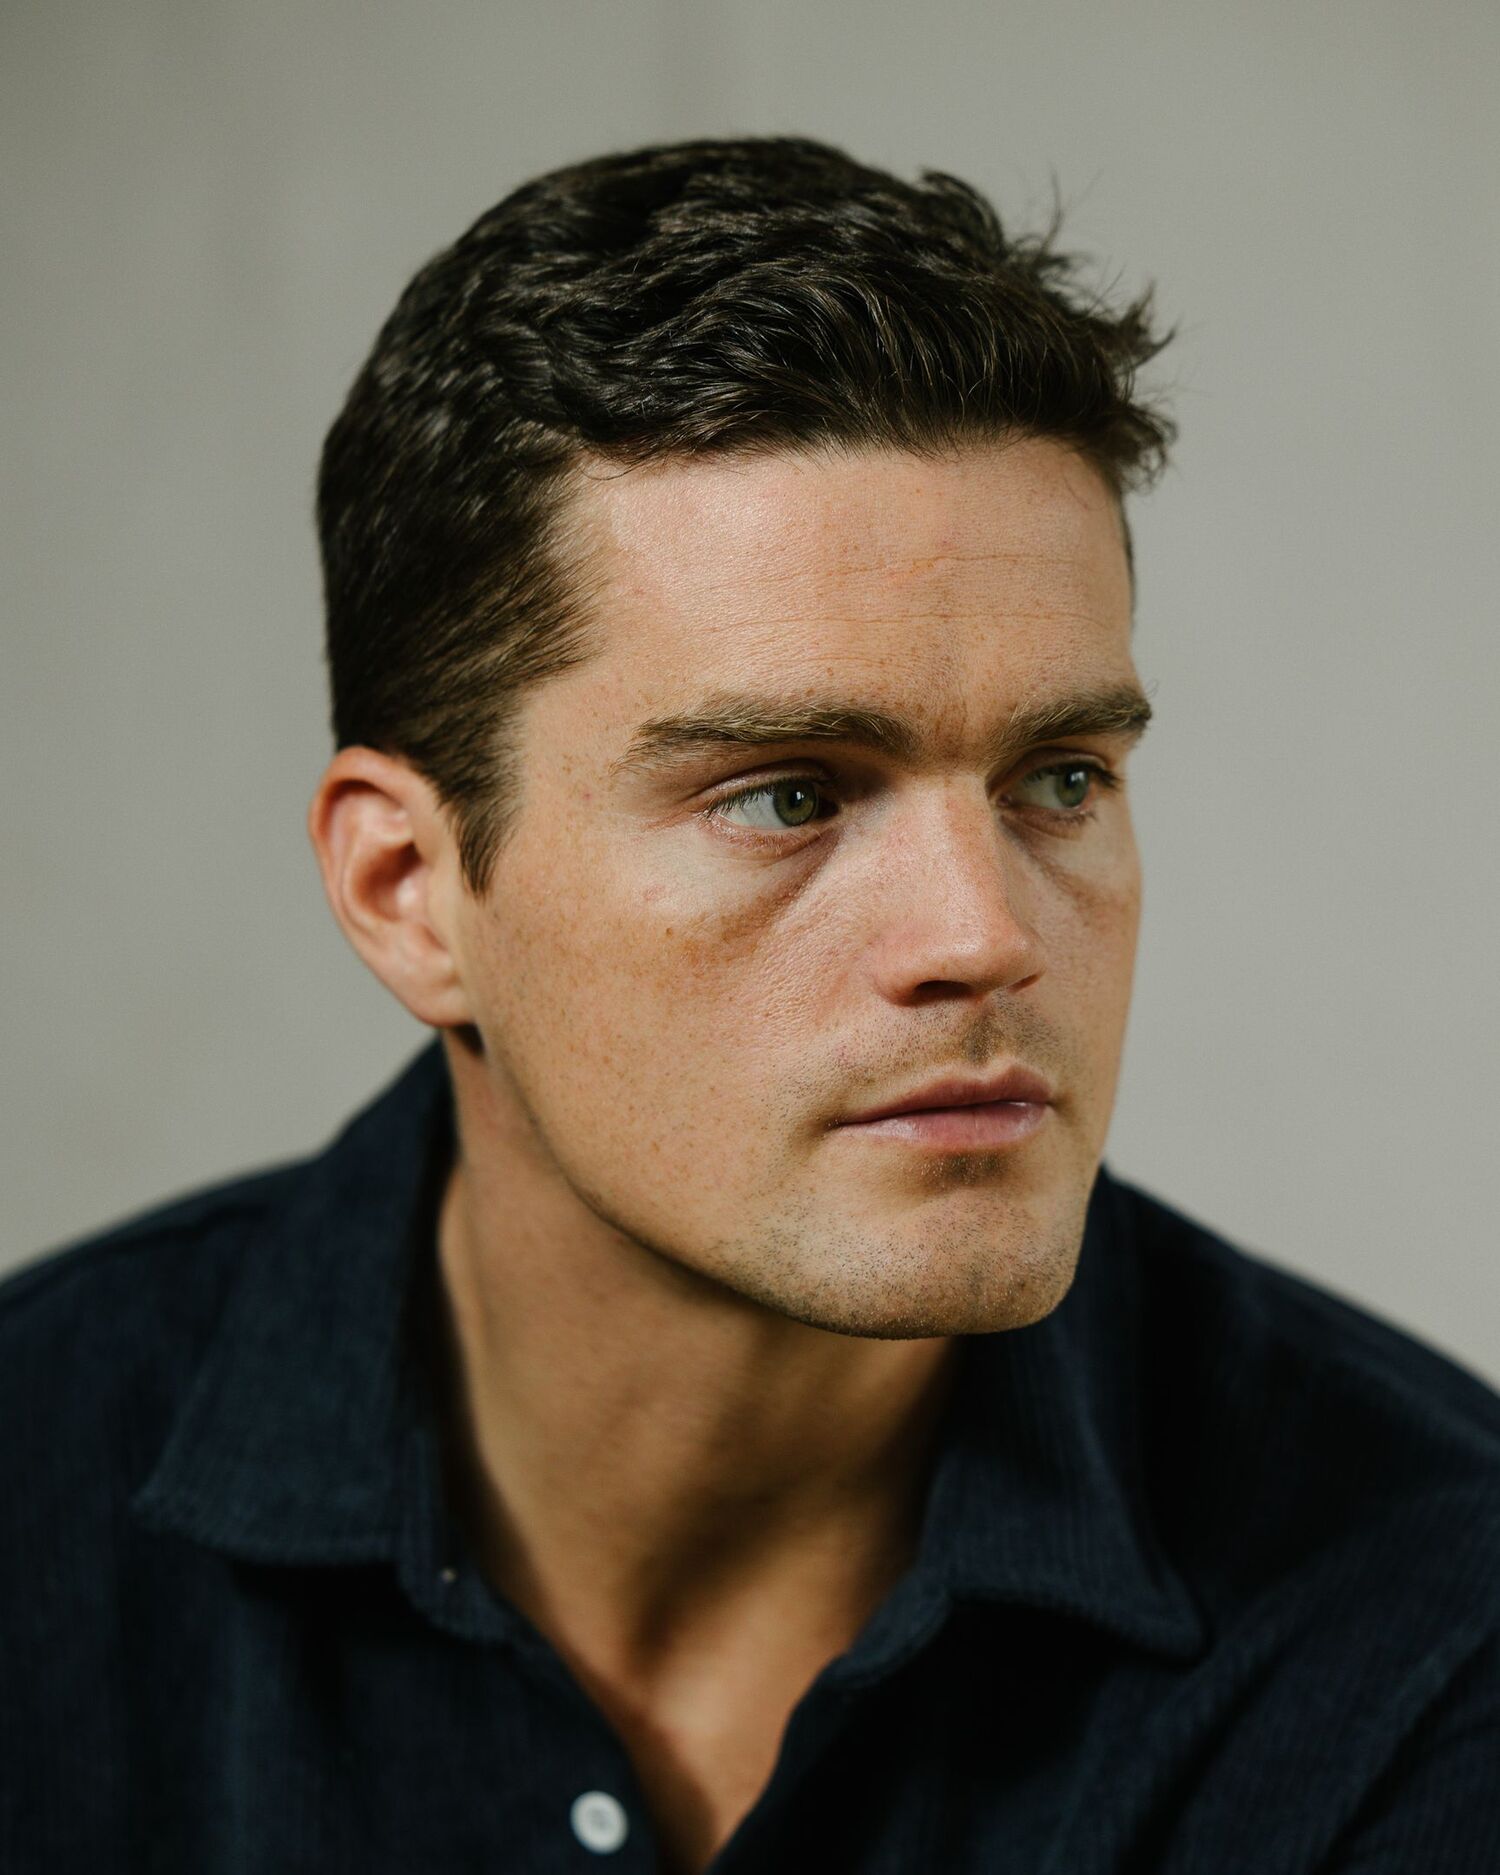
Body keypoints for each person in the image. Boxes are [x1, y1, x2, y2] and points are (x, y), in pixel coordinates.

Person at [4, 136, 1497, 1875]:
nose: (986, 936)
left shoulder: (1432, 1621)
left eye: (1062, 777)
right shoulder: (35, 1501)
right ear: (408, 890)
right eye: (788, 794)